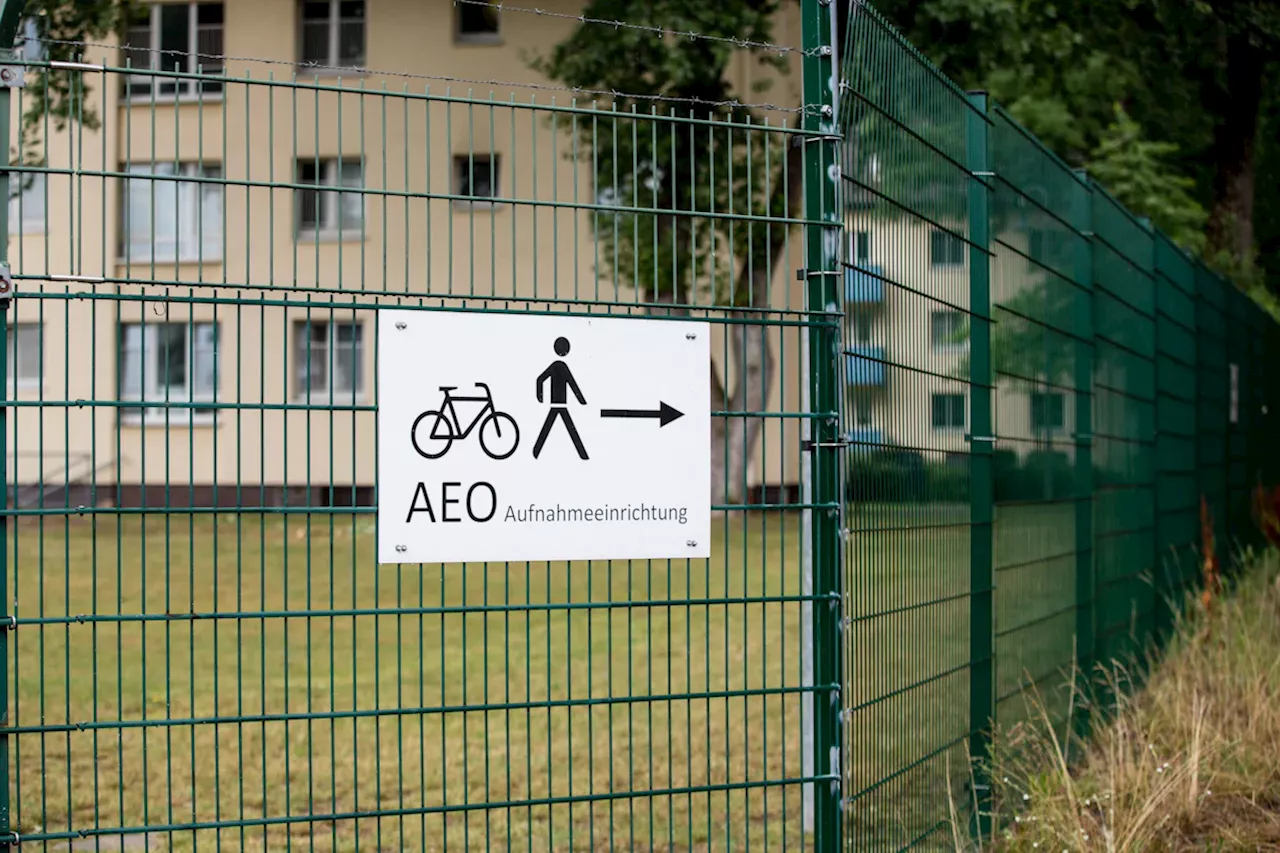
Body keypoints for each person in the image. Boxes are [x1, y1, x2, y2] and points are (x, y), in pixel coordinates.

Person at [532, 337, 588, 460]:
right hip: (560, 404)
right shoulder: (560, 366)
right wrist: (581, 400)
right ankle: (583, 455)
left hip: (558, 404)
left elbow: (540, 380)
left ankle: (536, 451)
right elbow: (572, 383)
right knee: (567, 428)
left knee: (556, 427)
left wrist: (540, 396)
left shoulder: (558, 365)